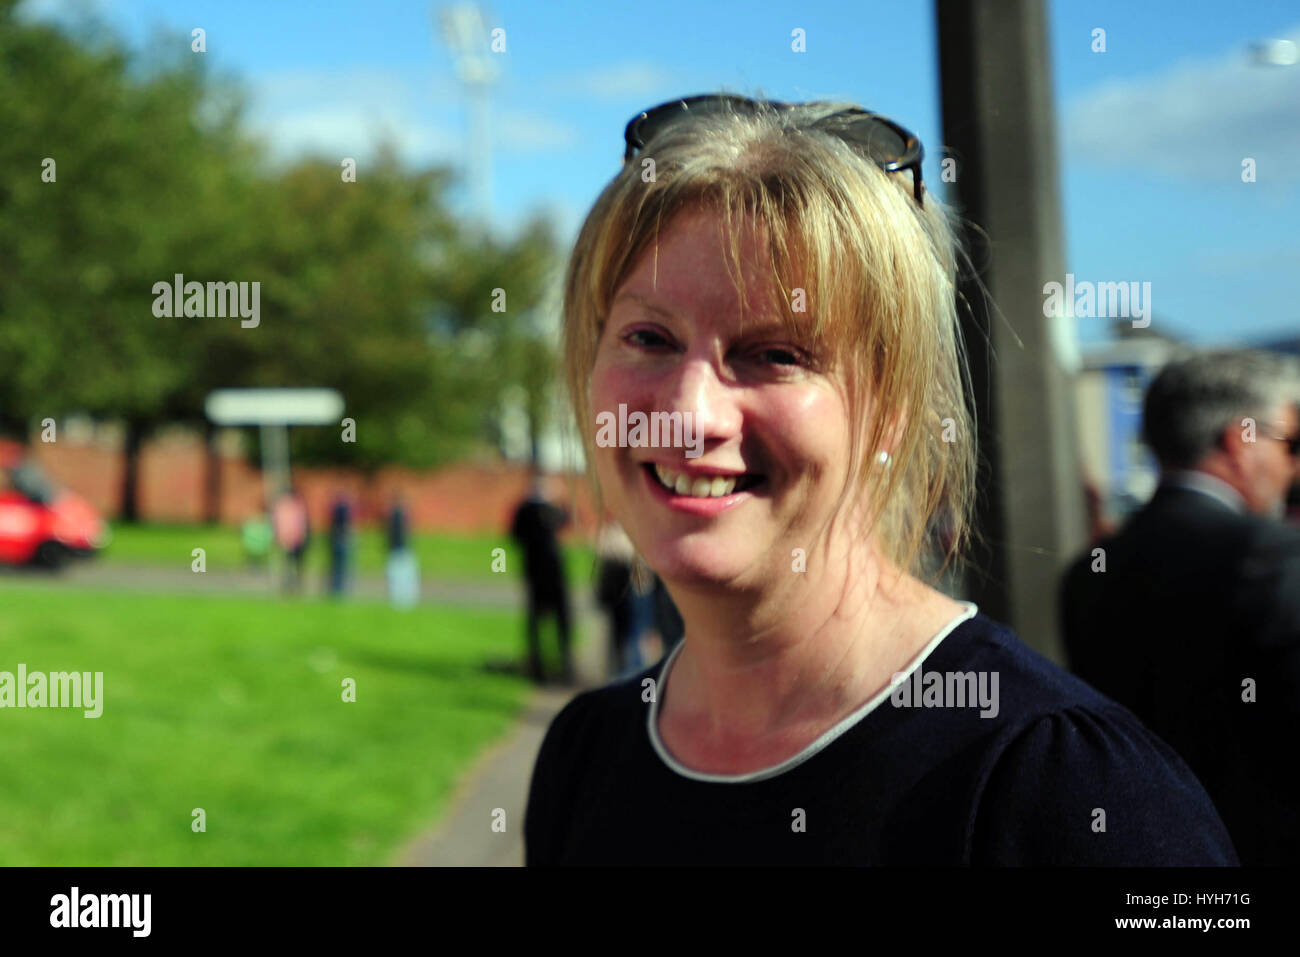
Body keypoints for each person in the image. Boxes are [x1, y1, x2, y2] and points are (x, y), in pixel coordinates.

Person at [523, 93, 1237, 866]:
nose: (691, 412)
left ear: (895, 406)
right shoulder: (587, 754)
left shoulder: (1070, 789)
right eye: (649, 337)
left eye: (777, 353)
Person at [1061, 350, 1300, 865]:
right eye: (1291, 444)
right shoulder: (1276, 558)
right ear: (1242, 440)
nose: (1293, 465)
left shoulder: (1089, 575)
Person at [509, 473, 574, 684]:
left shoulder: (523, 510)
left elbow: (513, 536)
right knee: (560, 619)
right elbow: (569, 520)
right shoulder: (551, 510)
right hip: (554, 572)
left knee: (536, 621)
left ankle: (538, 665)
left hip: (534, 571)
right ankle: (563, 664)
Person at [595, 519, 654, 680]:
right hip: (625, 589)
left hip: (636, 590)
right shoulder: (616, 532)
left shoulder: (618, 533)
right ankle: (628, 672)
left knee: (634, 632)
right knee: (627, 632)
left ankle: (634, 671)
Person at [271, 488, 309, 593]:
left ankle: (295, 585)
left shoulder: (294, 506)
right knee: (288, 565)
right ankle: (289, 585)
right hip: (289, 540)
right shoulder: (285, 507)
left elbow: (301, 524)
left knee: (295, 565)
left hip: (295, 540)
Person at [386, 494, 420, 609]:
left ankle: (403, 600)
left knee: (400, 575)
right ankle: (402, 600)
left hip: (399, 549)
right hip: (400, 549)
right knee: (400, 576)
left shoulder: (396, 514)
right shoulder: (398, 514)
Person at [326, 493, 353, 597]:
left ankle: (336, 589)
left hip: (336, 540)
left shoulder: (336, 509)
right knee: (340, 567)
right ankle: (339, 589)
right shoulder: (343, 509)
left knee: (337, 567)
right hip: (340, 541)